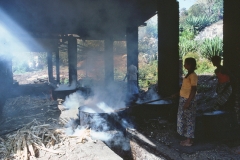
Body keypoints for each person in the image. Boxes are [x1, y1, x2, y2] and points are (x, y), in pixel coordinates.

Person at [172, 57, 198, 146]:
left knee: (189, 120)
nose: (184, 65)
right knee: (184, 119)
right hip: (183, 99)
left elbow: (194, 90)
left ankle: (189, 141)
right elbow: (185, 88)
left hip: (188, 100)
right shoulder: (188, 74)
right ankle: (187, 139)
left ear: (189, 65)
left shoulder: (193, 75)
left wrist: (188, 102)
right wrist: (177, 94)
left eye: (185, 63)